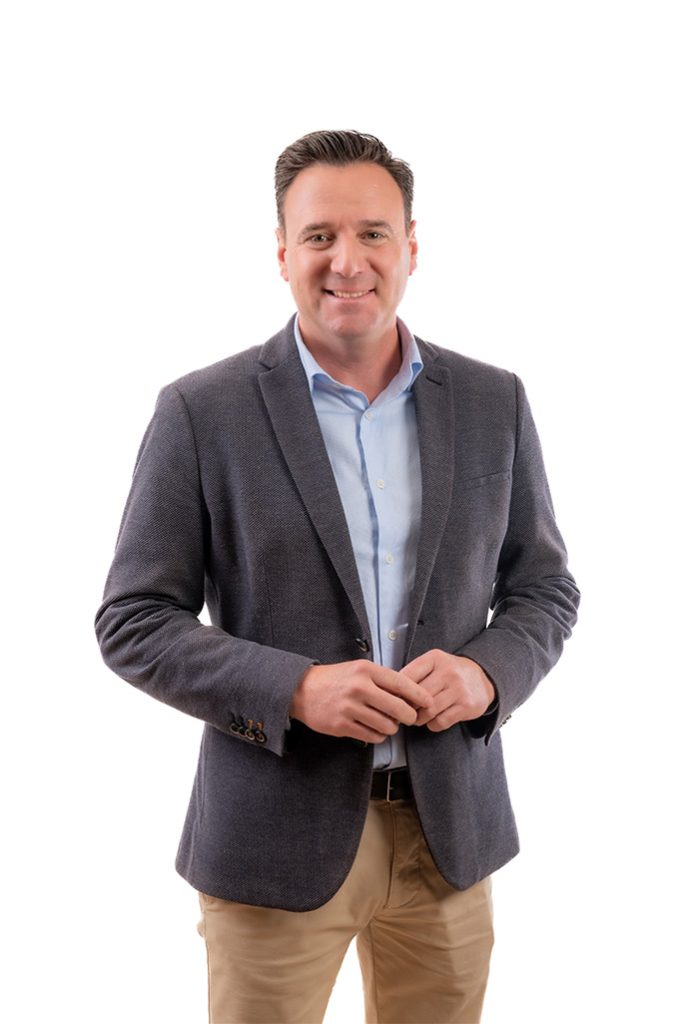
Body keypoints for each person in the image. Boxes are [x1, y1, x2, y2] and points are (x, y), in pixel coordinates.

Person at [95, 129, 580, 1024]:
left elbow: (544, 589)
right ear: (282, 253)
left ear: (411, 248)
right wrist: (295, 689)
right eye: (319, 236)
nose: (347, 261)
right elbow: (133, 619)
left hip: (448, 836)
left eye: (373, 233)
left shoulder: (494, 401)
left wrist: (486, 675)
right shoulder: (202, 412)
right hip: (272, 842)